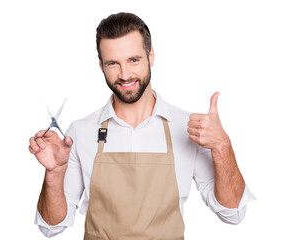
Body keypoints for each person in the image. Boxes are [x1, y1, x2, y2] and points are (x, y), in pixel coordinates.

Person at [29, 12, 255, 239]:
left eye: (133, 60)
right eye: (113, 63)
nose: (125, 74)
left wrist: (222, 146)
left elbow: (232, 213)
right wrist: (55, 173)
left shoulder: (189, 128)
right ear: (101, 66)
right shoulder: (81, 131)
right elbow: (51, 227)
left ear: (151, 56)